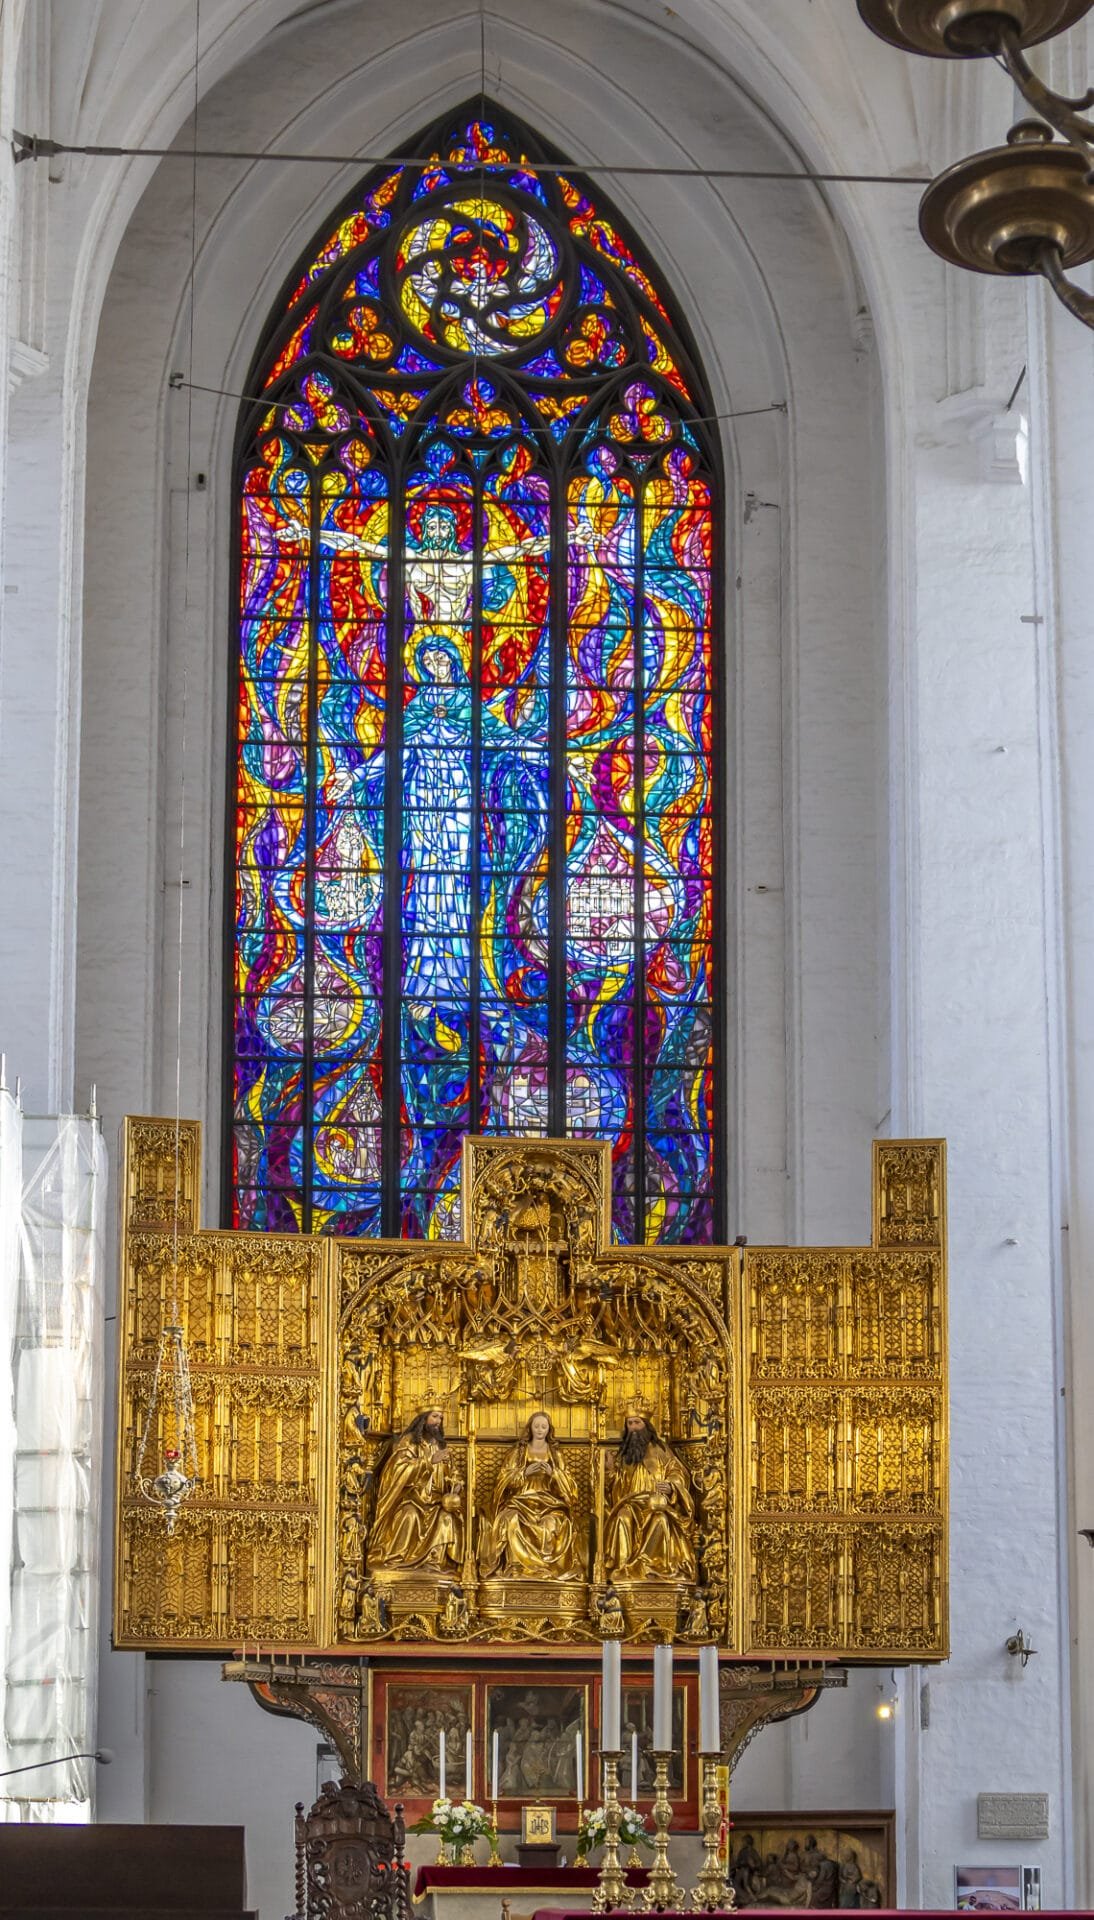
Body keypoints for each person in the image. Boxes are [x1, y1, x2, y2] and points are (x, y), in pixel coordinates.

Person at [478, 1411, 581, 1579]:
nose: (540, 1430)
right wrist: (523, 1473)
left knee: (554, 1523)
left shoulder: (556, 1455)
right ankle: (516, 1567)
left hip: (549, 1503)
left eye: (544, 1427)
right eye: (536, 1426)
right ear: (530, 1428)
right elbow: (503, 1480)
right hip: (521, 1501)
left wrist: (553, 1474)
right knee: (509, 1518)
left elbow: (570, 1487)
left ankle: (547, 1569)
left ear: (549, 1430)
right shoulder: (518, 1453)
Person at [366, 1407, 462, 1575]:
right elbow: (397, 1471)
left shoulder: (440, 1446)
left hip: (437, 1502)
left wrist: (457, 1486)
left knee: (446, 1518)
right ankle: (399, 1560)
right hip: (411, 1499)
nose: (438, 1422)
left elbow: (454, 1473)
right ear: (423, 1419)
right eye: (434, 1416)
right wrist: (429, 1461)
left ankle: (434, 1563)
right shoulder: (409, 1442)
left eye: (441, 1417)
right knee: (409, 1516)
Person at [604, 1411, 695, 1581]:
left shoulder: (661, 1450)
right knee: (622, 1518)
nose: (633, 1428)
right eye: (629, 1423)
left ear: (646, 1425)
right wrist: (610, 1470)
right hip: (630, 1503)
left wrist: (670, 1486)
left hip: (656, 1504)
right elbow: (616, 1487)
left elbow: (677, 1472)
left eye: (637, 1423)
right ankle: (623, 1570)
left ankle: (652, 1567)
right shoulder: (624, 1456)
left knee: (660, 1520)